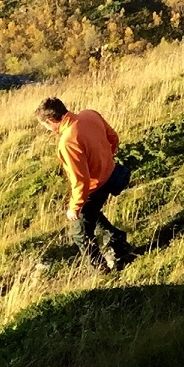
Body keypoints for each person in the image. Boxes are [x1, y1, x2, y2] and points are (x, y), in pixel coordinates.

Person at [37, 97, 133, 272]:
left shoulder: (67, 141)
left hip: (94, 187)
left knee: (80, 233)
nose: (48, 130)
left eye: (46, 126)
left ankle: (100, 270)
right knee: (92, 215)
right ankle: (118, 242)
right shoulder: (90, 115)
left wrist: (74, 207)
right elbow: (113, 138)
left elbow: (80, 180)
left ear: (51, 120)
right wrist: (105, 159)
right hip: (110, 174)